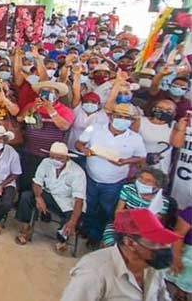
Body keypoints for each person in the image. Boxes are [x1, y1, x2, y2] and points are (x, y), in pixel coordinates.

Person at [60, 208, 180, 301]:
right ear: (130, 242)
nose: (166, 247)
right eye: (155, 242)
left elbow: (162, 296)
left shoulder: (152, 267)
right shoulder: (94, 271)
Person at [76, 104, 148, 248]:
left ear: (131, 121)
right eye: (119, 116)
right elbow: (78, 143)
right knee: (88, 205)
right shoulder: (95, 128)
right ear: (110, 116)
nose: (122, 120)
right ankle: (85, 228)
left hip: (114, 182)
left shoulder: (135, 138)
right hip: (90, 177)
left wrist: (126, 161)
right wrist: (85, 150)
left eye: (126, 118)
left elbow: (141, 158)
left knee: (106, 210)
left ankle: (95, 236)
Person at [15, 142, 86, 253]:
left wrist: (73, 221)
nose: (55, 160)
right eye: (52, 157)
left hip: (67, 201)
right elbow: (37, 182)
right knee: (26, 196)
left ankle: (62, 240)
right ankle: (26, 228)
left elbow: (79, 199)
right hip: (49, 194)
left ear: (67, 157)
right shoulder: (46, 163)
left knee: (73, 218)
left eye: (59, 158)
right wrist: (38, 197)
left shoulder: (77, 172)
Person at [102, 168, 172, 247]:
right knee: (109, 243)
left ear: (157, 186)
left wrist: (129, 214)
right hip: (121, 225)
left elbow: (153, 223)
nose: (142, 182)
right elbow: (118, 213)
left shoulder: (163, 202)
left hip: (143, 233)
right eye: (141, 178)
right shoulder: (128, 189)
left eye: (148, 180)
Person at [167, 206, 192, 300]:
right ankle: (181, 293)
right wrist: (176, 258)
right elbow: (178, 235)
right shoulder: (190, 212)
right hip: (185, 250)